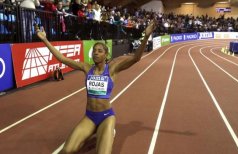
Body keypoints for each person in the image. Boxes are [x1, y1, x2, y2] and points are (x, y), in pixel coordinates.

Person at [35, 19, 156, 154]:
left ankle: (108, 132)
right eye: (94, 51)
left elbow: (135, 58)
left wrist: (146, 36)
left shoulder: (112, 69)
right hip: (90, 116)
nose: (96, 53)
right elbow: (63, 59)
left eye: (99, 51)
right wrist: (45, 40)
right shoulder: (87, 68)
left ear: (106, 55)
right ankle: (94, 134)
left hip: (106, 116)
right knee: (67, 150)